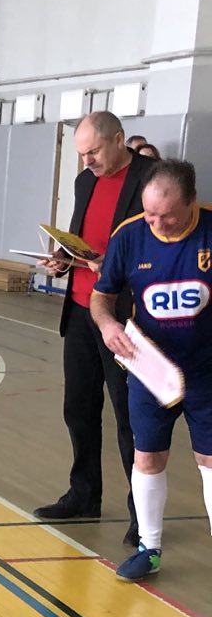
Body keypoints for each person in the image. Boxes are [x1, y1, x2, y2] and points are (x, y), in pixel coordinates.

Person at [34, 111, 155, 541]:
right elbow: (79, 238)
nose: (86, 161)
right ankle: (84, 495)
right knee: (79, 409)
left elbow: (162, 244)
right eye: (82, 153)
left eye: (93, 152)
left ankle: (142, 515)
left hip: (125, 317)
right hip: (82, 311)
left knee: (129, 418)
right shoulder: (85, 181)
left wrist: (115, 265)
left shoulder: (151, 178)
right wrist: (62, 259)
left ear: (119, 139)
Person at [90, 159, 212, 580]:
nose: (157, 223)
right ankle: (149, 548)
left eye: (167, 215)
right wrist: (108, 326)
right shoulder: (130, 235)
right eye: (150, 214)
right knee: (147, 457)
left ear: (192, 201)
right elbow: (101, 296)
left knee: (209, 460)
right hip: (151, 370)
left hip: (206, 371)